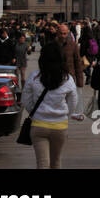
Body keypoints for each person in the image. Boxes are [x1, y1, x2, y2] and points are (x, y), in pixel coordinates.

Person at [21, 40, 85, 169]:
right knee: (56, 162)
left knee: (42, 163)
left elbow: (25, 100)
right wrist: (66, 114)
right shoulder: (67, 79)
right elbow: (73, 102)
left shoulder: (34, 77)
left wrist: (35, 112)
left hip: (38, 125)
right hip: (60, 126)